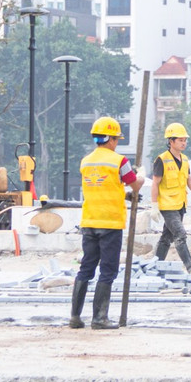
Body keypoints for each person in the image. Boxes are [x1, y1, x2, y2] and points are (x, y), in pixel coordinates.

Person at [70, 117, 144, 330]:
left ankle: (75, 316)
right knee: (108, 270)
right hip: (110, 222)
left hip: (89, 221)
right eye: (116, 139)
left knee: (86, 268)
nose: (117, 143)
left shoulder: (86, 161)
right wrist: (140, 176)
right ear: (111, 139)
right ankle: (99, 318)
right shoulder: (119, 161)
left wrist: (125, 195)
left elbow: (104, 187)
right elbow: (133, 183)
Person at [150, 122, 191, 275]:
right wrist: (154, 205)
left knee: (166, 237)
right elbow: (155, 183)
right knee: (180, 234)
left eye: (185, 140)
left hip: (180, 205)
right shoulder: (162, 159)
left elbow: (189, 181)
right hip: (167, 205)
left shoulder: (184, 160)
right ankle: (190, 266)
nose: (184, 143)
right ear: (171, 141)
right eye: (180, 140)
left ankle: (155, 266)